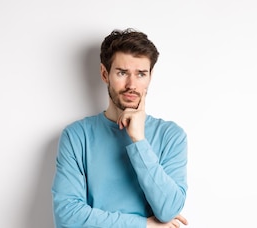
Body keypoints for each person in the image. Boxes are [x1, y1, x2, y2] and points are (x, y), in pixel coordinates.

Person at [51, 28, 189, 228]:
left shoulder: (171, 136)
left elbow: (169, 210)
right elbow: (67, 217)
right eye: (122, 73)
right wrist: (144, 225)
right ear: (105, 74)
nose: (131, 84)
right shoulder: (77, 136)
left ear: (150, 76)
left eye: (141, 74)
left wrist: (139, 141)